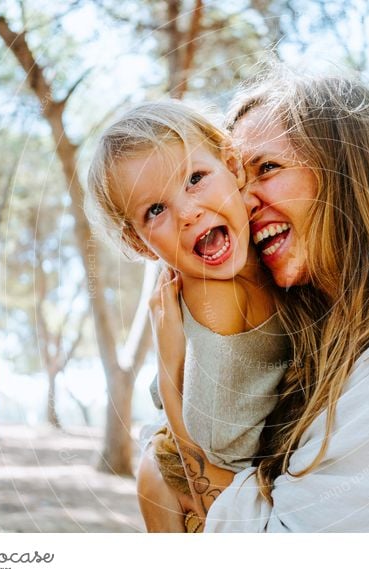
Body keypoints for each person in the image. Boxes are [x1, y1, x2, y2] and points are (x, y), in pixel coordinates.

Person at [151, 71, 369, 532]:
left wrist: (170, 383)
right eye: (237, 178)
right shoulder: (306, 331)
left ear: (344, 175)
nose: (242, 201)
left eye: (267, 169)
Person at [86, 100, 289, 532]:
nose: (188, 212)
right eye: (155, 210)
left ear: (232, 164)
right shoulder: (215, 298)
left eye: (195, 179)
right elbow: (215, 470)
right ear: (139, 242)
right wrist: (168, 376)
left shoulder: (271, 253)